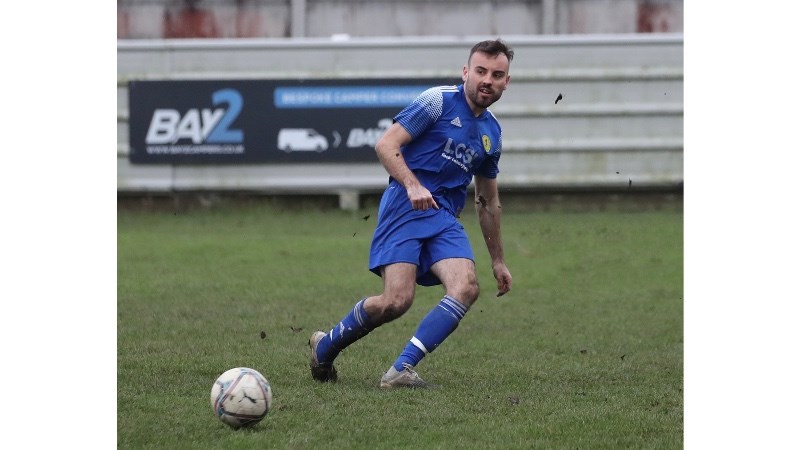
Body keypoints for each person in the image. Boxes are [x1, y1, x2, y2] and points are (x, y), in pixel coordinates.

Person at [309, 39, 514, 389]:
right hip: (405, 206)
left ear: (506, 82)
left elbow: (487, 200)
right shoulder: (437, 101)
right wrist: (412, 185)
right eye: (481, 71)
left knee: (466, 287)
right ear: (466, 72)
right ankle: (324, 347)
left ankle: (400, 370)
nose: (487, 80)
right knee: (396, 302)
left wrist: (498, 260)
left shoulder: (492, 133)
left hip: (444, 217)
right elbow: (386, 145)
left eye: (497, 75)